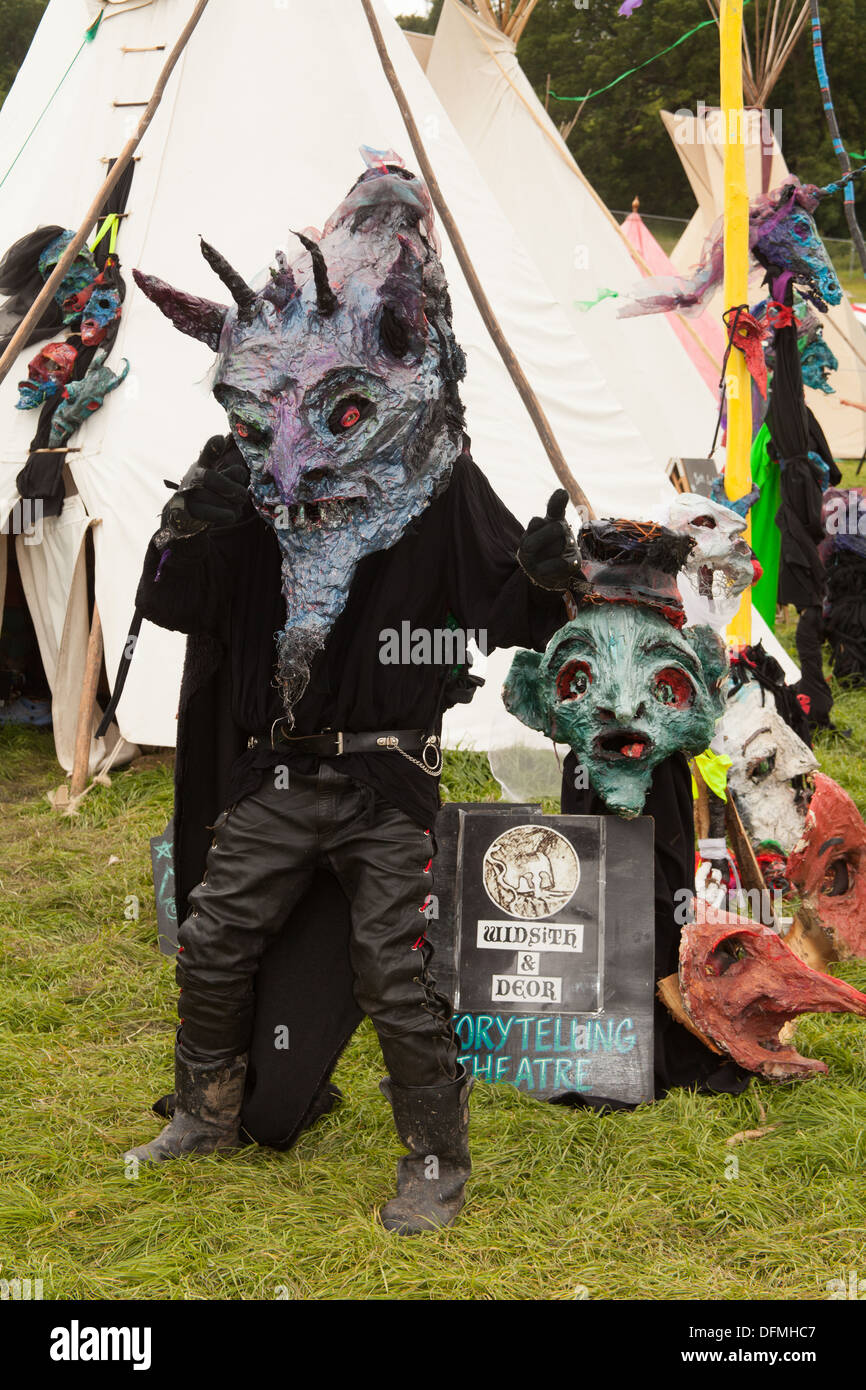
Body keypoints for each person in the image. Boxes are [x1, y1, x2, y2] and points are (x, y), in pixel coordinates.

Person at [123, 156, 568, 1234]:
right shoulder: (249, 472)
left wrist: (550, 574)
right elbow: (183, 600)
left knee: (395, 967)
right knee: (216, 931)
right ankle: (206, 1106)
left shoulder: (442, 483)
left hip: (381, 778)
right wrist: (195, 517)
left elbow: (516, 619)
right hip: (278, 769)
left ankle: (432, 1159)